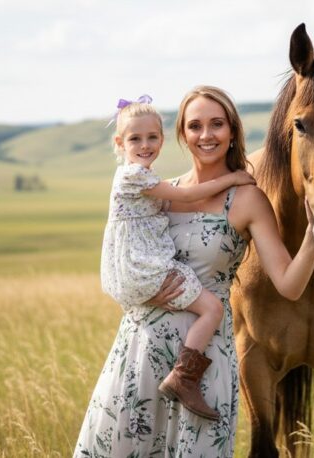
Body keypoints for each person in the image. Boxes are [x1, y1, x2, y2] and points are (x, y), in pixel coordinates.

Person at [74, 86, 314, 457]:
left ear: (232, 131)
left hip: (204, 365)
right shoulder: (159, 191)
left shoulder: (248, 198)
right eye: (195, 126)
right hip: (141, 348)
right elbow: (121, 258)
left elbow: (289, 285)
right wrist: (142, 291)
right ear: (183, 134)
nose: (206, 135)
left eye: (217, 124)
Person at [101, 96, 255, 420]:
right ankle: (184, 378)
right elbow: (185, 195)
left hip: (135, 265)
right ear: (119, 142)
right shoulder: (136, 176)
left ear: (163, 138)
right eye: (135, 139)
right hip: (144, 267)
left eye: (152, 137)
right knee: (212, 307)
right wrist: (232, 179)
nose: (145, 145)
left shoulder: (139, 175)